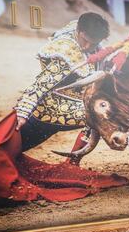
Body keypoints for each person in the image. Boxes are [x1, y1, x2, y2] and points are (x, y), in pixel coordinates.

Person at [15, 12, 109, 163]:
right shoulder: (66, 53)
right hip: (50, 110)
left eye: (93, 43)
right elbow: (41, 84)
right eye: (85, 41)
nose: (87, 47)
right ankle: (72, 164)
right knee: (6, 149)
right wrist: (23, 112)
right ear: (79, 31)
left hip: (69, 103)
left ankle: (73, 162)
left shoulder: (84, 33)